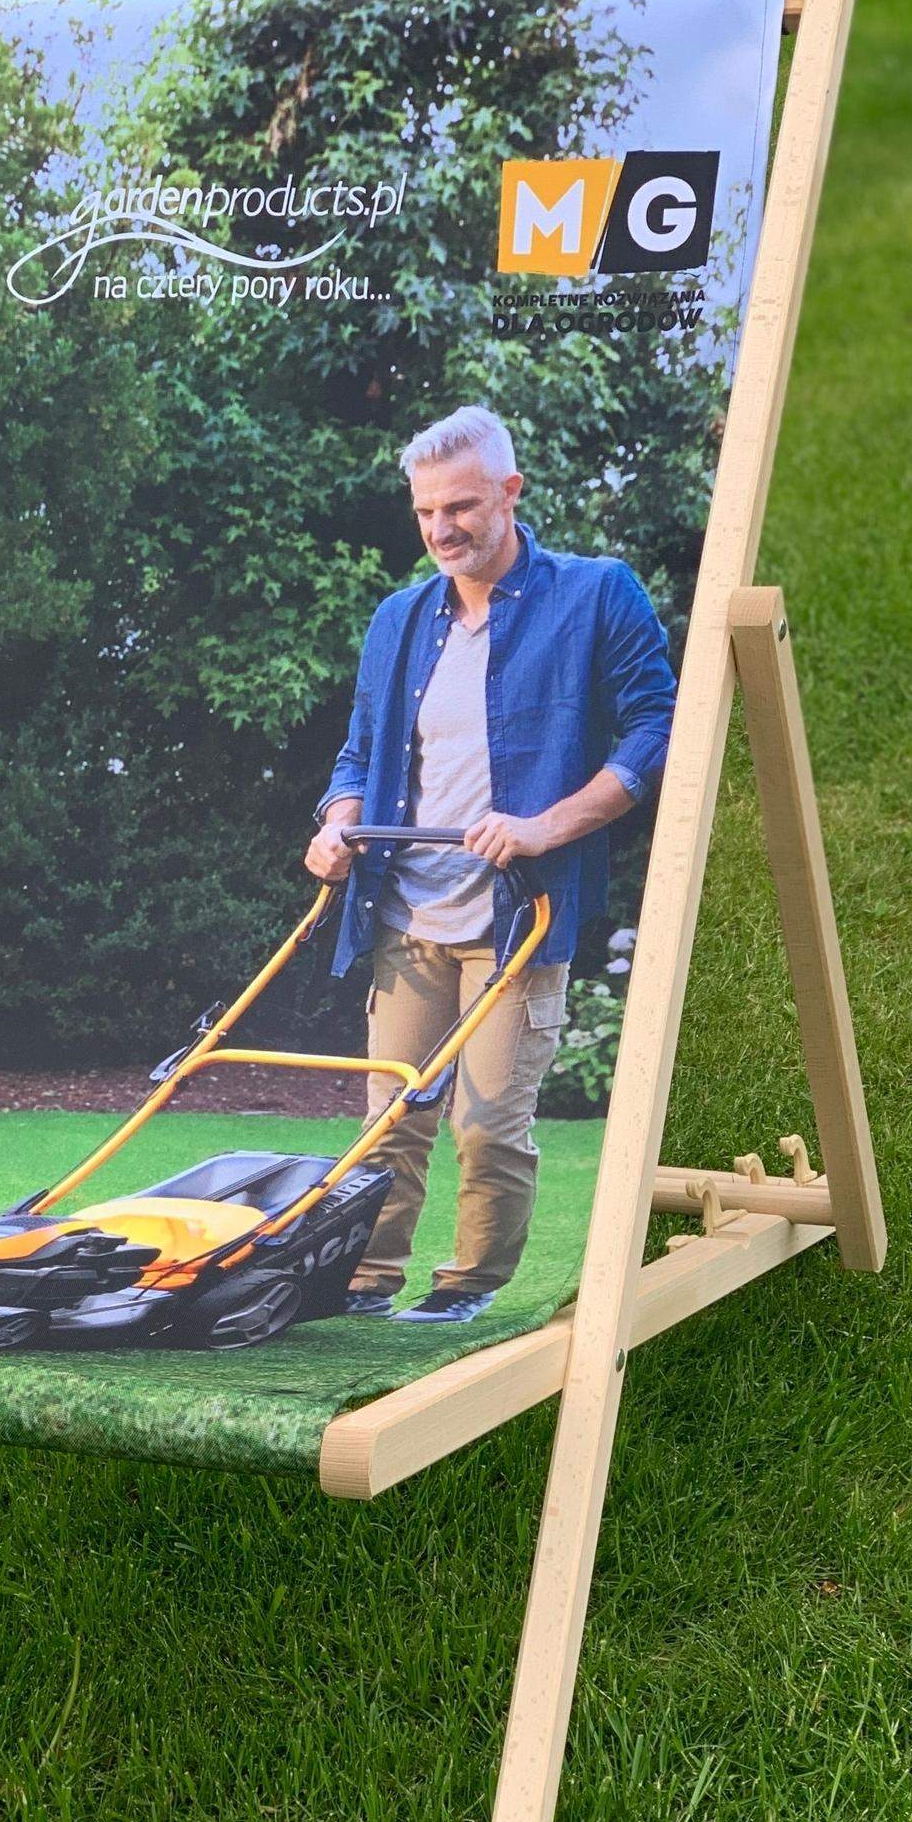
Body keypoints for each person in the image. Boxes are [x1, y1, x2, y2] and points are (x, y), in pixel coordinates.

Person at [307, 404, 677, 1322]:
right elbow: (358, 755)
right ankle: (367, 1280)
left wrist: (548, 825)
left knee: (486, 1123)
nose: (442, 530)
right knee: (391, 1117)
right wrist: (339, 823)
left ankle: (466, 1288)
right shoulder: (398, 620)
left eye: (462, 507)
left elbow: (656, 728)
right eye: (426, 512)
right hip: (407, 912)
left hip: (520, 914)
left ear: (511, 492)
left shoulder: (596, 595)